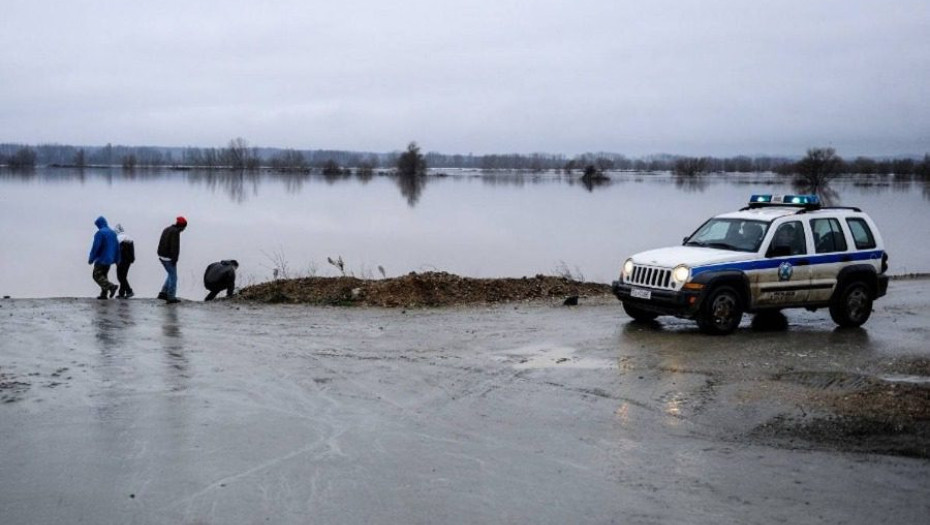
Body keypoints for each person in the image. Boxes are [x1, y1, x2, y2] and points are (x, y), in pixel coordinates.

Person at [87, 216, 120, 300]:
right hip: (110, 259)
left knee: (96, 275)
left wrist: (91, 258)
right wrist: (117, 259)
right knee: (104, 276)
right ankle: (104, 294)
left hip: (101, 258)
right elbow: (117, 247)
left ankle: (111, 287)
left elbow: (96, 247)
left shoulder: (100, 233)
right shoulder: (113, 233)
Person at [157, 216, 187, 304]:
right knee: (174, 277)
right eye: (184, 227)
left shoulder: (167, 229)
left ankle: (163, 293)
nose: (184, 229)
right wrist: (175, 259)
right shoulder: (175, 232)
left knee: (170, 274)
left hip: (161, 255)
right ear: (182, 226)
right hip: (168, 258)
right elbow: (175, 247)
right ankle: (171, 297)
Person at [114, 224, 135, 298]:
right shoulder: (129, 237)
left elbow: (116, 251)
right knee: (123, 276)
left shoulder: (117, 238)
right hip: (129, 260)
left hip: (121, 260)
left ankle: (129, 291)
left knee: (120, 277)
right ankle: (121, 293)